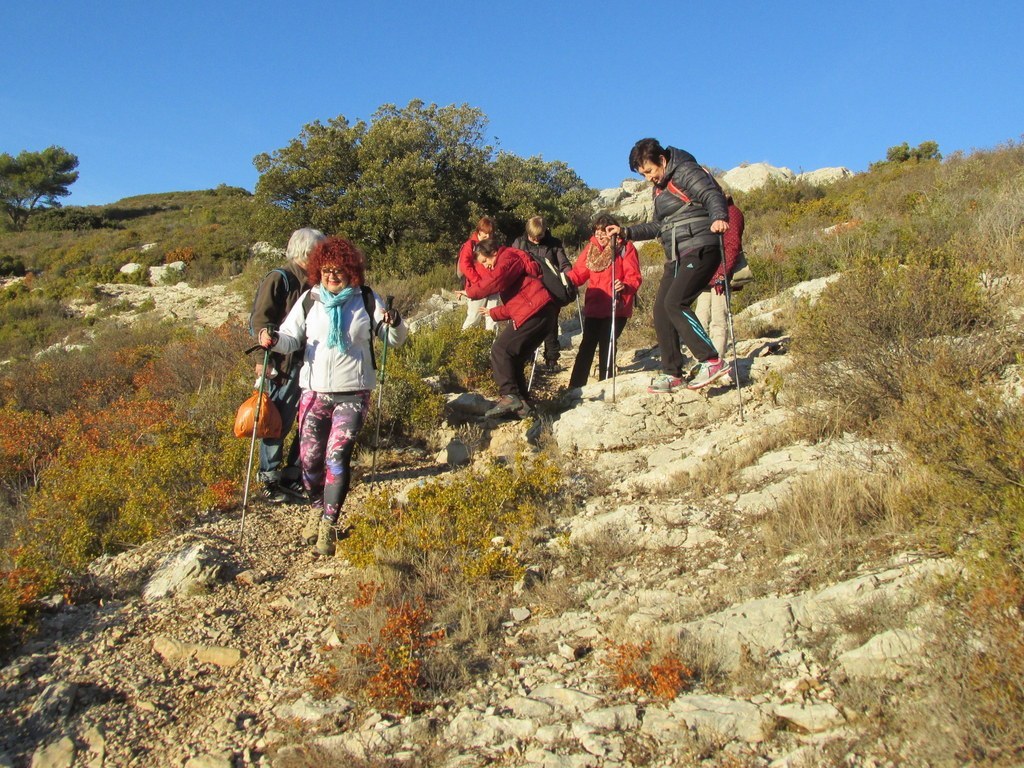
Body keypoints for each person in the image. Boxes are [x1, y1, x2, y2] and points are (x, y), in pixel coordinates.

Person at [258, 237, 407, 556]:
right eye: (325, 270)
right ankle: (315, 506)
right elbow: (291, 338)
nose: (331, 276)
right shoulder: (310, 300)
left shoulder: (366, 299)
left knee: (337, 457)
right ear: (317, 270)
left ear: (350, 270)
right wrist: (271, 339)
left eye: (338, 270)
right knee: (310, 461)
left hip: (354, 391)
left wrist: (395, 322)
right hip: (313, 391)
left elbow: (393, 340)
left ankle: (329, 523)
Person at [605, 138, 730, 393]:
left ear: (662, 160)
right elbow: (658, 226)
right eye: (643, 174)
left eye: (649, 171)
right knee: (661, 309)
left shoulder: (685, 170)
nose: (648, 178)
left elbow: (711, 194)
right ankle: (673, 372)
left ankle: (711, 360)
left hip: (701, 246)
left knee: (676, 302)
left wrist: (718, 217)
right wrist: (626, 232)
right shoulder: (659, 189)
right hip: (677, 253)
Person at [250, 227, 325, 503]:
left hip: (312, 363)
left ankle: (294, 474)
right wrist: (262, 360)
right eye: (319, 250)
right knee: (277, 419)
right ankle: (269, 477)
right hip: (283, 364)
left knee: (307, 420)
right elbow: (259, 322)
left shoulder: (317, 282)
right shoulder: (280, 278)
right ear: (307, 252)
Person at [462, 236, 557, 419]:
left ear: (494, 253)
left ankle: (509, 396)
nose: (487, 266)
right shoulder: (511, 260)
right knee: (515, 357)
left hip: (537, 312)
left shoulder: (508, 258)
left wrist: (470, 292)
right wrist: (494, 313)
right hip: (541, 312)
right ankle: (524, 407)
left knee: (500, 350)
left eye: (485, 261)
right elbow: (519, 304)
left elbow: (494, 282)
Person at [566, 214, 642, 388]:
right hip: (594, 305)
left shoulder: (625, 247)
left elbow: (634, 275)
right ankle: (574, 388)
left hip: (617, 306)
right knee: (586, 347)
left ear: (613, 231)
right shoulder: (590, 248)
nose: (600, 235)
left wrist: (625, 285)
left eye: (605, 231)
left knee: (607, 345)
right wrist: (564, 281)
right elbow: (578, 273)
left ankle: (605, 385)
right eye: (597, 231)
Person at [694, 192, 745, 378]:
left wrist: (723, 274)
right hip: (705, 274)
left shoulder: (732, 213)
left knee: (718, 320)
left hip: (719, 276)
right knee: (699, 318)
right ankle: (703, 362)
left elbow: (732, 246)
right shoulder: (710, 213)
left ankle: (718, 364)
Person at [512, 216, 572, 371]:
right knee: (528, 325)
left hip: (550, 290)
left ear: (545, 231)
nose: (536, 239)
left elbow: (564, 263)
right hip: (527, 291)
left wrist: (569, 277)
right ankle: (527, 359)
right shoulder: (520, 243)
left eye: (540, 236)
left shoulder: (554, 244)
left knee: (550, 325)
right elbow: (512, 264)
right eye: (533, 236)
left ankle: (551, 359)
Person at [457, 216, 501, 331]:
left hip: (493, 287)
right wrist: (478, 281)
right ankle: (463, 345)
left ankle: (492, 348)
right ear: (479, 231)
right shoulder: (470, 245)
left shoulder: (493, 244)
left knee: (492, 319)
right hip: (477, 287)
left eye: (490, 234)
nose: (488, 237)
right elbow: (464, 265)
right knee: (473, 320)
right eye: (485, 234)